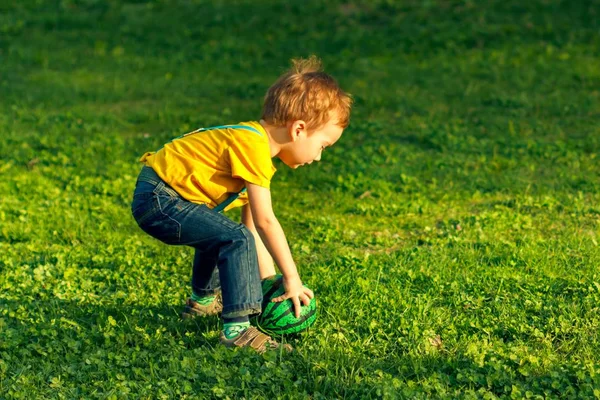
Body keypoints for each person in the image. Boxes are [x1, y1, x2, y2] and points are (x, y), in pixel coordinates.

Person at [130, 55, 352, 353]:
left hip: (159, 195)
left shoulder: (253, 149)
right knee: (233, 238)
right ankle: (237, 330)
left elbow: (253, 228)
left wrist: (270, 283)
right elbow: (265, 222)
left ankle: (203, 301)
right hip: (159, 198)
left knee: (224, 234)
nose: (319, 157)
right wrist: (292, 279)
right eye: (322, 146)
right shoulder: (253, 147)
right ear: (298, 129)